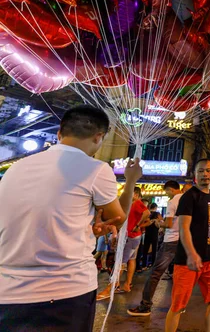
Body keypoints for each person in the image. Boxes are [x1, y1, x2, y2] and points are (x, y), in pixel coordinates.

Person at [0, 105, 142, 331]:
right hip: (64, 291)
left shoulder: (16, 168)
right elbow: (118, 218)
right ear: (99, 137)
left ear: (59, 134)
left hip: (8, 294)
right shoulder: (95, 168)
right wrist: (131, 180)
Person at [165, 159, 210, 332]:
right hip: (187, 261)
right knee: (178, 305)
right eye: (201, 171)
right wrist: (191, 253)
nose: (205, 174)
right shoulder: (189, 197)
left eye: (208, 171)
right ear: (195, 175)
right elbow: (183, 227)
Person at [128, 180, 183, 317]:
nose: (167, 195)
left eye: (167, 192)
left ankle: (145, 305)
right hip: (182, 240)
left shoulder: (173, 202)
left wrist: (159, 223)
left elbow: (169, 224)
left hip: (170, 241)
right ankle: (179, 305)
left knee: (155, 273)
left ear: (170, 189)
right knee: (180, 274)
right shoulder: (186, 199)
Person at [97, 187, 151, 300]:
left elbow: (147, 213)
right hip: (133, 237)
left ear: (135, 194)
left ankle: (110, 288)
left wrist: (137, 225)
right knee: (131, 260)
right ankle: (127, 285)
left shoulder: (136, 203)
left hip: (130, 237)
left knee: (120, 263)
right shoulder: (131, 205)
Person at [141, 203, 163, 270]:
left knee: (145, 250)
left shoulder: (147, 213)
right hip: (155, 234)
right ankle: (153, 264)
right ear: (156, 207)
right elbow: (161, 222)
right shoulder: (158, 214)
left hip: (147, 233)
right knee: (154, 250)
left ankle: (144, 265)